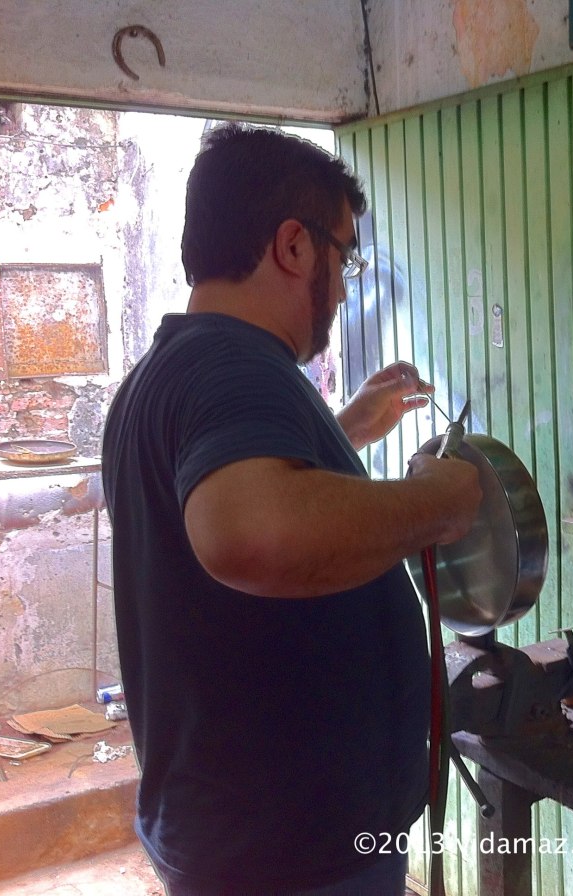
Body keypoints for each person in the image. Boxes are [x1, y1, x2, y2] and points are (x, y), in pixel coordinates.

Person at [101, 122, 482, 895]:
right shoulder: (234, 364)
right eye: (344, 255)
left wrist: (345, 430)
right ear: (295, 246)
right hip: (289, 855)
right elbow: (252, 537)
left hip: (242, 835)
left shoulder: (168, 372)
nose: (342, 288)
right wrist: (439, 503)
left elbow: (228, 494)